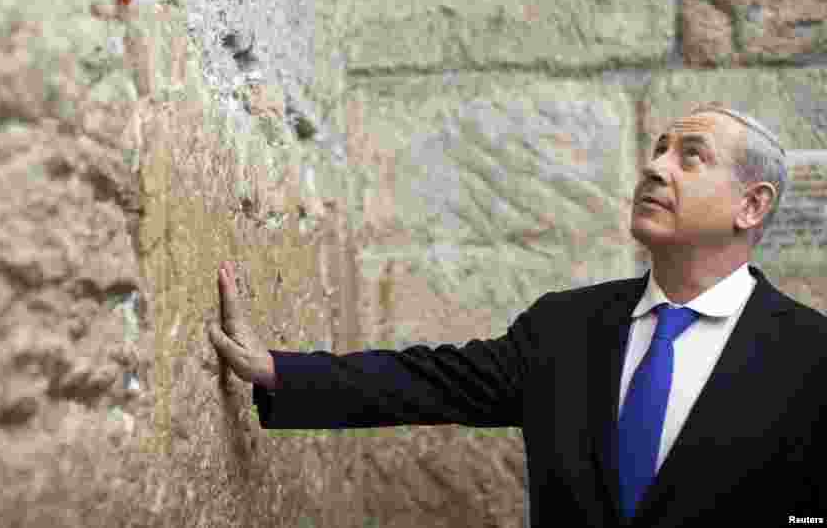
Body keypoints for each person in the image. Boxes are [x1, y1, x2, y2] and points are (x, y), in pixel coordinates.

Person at [208, 102, 827, 527]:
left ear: (752, 205)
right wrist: (277, 370)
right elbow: (427, 382)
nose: (655, 166)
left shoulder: (811, 355)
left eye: (690, 157)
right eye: (658, 149)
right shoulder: (565, 330)